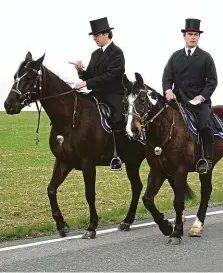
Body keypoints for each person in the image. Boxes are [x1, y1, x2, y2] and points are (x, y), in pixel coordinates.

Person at [162, 18, 218, 174]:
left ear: (198, 37)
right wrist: (168, 91)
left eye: (195, 34)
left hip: (200, 102)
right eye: (190, 34)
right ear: (184, 36)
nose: (193, 37)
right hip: (178, 100)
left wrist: (201, 97)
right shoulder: (175, 56)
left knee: (205, 126)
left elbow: (212, 81)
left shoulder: (206, 57)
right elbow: (167, 77)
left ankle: (206, 159)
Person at [74, 17, 126, 171]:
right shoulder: (95, 54)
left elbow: (112, 75)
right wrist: (81, 71)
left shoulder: (117, 53)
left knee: (117, 117)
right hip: (96, 94)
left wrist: (87, 83)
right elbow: (90, 75)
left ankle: (117, 154)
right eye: (94, 36)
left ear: (106, 34)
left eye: (96, 36)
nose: (94, 39)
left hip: (113, 93)